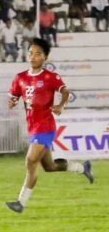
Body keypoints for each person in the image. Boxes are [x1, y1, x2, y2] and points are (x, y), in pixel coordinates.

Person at [5, 38, 93, 213]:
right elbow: (13, 96)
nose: (33, 56)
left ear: (45, 57)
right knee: (50, 167)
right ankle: (83, 168)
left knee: (31, 161)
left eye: (38, 54)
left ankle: (20, 203)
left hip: (45, 127)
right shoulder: (20, 78)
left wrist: (60, 106)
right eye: (31, 53)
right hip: (33, 128)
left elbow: (65, 92)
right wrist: (12, 102)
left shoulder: (50, 77)